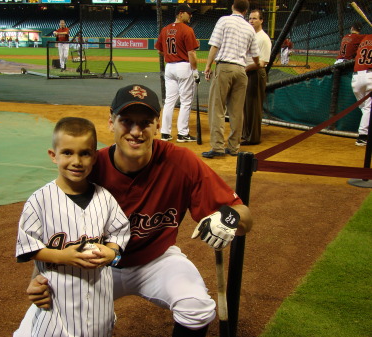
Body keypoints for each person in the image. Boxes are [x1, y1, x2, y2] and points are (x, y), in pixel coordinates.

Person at [16, 84, 253, 336]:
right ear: (111, 122)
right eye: (126, 121)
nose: (136, 131)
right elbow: (55, 231)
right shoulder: (89, 166)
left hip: (156, 261)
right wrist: (38, 279)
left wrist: (228, 218)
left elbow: (244, 215)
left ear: (157, 124)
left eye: (145, 122)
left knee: (197, 307)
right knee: (30, 330)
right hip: (98, 266)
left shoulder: (180, 162)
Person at [15, 117, 131, 336]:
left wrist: (112, 251)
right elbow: (27, 246)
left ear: (95, 156)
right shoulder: (40, 200)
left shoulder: (104, 197)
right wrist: (62, 257)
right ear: (53, 155)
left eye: (84, 153)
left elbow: (120, 231)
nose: (76, 161)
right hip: (57, 302)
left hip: (99, 300)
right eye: (67, 152)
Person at [202, 0, 260, 159]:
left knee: (217, 109)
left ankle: (218, 147)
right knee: (237, 111)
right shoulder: (250, 28)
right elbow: (255, 55)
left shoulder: (224, 20)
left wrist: (208, 66)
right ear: (246, 11)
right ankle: (234, 148)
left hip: (225, 67)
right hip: (241, 71)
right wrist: (258, 64)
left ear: (233, 7)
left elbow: (215, 45)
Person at [155, 4, 200, 143]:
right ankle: (183, 134)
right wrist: (195, 70)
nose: (190, 15)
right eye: (188, 13)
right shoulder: (187, 30)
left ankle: (165, 133)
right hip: (183, 67)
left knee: (169, 101)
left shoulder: (165, 29)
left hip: (169, 68)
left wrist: (169, 54)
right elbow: (191, 53)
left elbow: (159, 50)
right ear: (181, 14)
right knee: (186, 102)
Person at [241, 9, 272, 145]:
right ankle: (246, 134)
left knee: (254, 106)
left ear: (261, 20)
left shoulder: (263, 38)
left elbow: (262, 62)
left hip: (256, 73)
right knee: (246, 105)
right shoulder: (251, 35)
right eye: (250, 18)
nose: (252, 21)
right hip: (248, 72)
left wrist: (245, 68)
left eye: (255, 18)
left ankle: (253, 138)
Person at [351, 34, 372, 146]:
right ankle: (363, 136)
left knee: (364, 107)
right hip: (370, 76)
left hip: (356, 78)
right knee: (368, 107)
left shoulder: (364, 39)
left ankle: (365, 133)